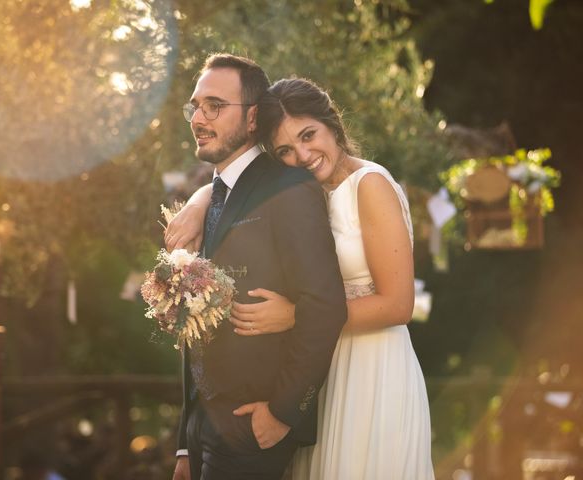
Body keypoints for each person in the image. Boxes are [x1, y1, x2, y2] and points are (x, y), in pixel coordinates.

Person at [166, 78, 435, 479]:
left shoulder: (370, 185)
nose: (304, 155)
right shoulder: (299, 195)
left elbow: (398, 305)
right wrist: (200, 199)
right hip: (317, 373)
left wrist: (297, 316)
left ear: (333, 125)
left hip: (371, 369)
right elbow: (235, 179)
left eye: (310, 135)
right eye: (285, 151)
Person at [170, 55, 348, 480]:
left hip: (254, 425)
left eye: (215, 106)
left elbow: (325, 305)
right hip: (200, 426)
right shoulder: (208, 197)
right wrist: (184, 439)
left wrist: (284, 413)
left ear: (252, 119)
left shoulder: (290, 187)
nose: (199, 117)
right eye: (195, 106)